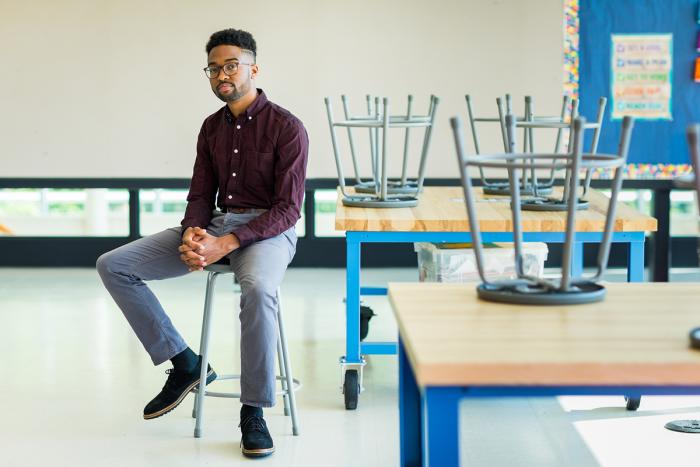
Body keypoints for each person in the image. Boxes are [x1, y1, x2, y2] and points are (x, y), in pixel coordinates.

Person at [96, 28, 308, 459]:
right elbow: (200, 194)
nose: (222, 75)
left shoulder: (287, 127)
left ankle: (254, 410)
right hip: (216, 225)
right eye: (214, 68)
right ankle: (185, 362)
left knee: (260, 289)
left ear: (253, 68)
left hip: (268, 231)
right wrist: (195, 231)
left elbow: (288, 209)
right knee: (113, 265)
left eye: (231, 65)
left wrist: (227, 241)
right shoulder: (211, 128)